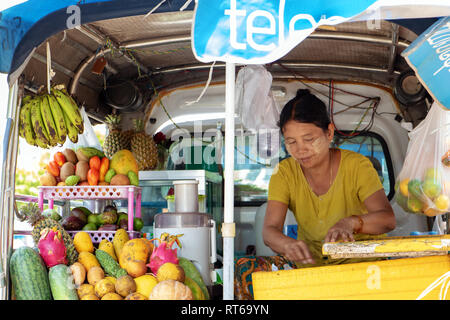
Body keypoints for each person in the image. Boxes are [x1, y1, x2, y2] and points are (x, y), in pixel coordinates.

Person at [263, 89, 396, 267]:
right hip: (313, 268)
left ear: (330, 133)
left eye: (309, 139)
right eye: (291, 142)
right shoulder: (284, 173)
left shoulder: (356, 166)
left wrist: (352, 223)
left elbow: (388, 220)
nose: (300, 150)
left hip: (364, 268)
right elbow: (269, 231)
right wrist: (287, 244)